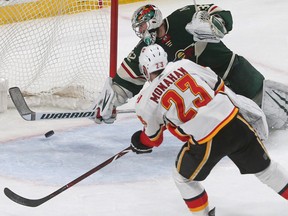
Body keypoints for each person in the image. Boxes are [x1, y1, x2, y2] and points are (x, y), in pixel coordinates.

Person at [129, 44, 288, 216]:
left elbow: (154, 139)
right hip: (234, 121)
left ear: (145, 69)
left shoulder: (145, 103)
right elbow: (218, 85)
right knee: (266, 170)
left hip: (207, 139)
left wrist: (139, 141)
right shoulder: (185, 65)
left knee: (182, 178)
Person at [94, 3, 264, 123]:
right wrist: (109, 104)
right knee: (235, 130)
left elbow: (220, 13)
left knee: (271, 110)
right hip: (207, 97)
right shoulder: (144, 51)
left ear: (153, 20)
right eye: (138, 28)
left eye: (142, 26)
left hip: (233, 73)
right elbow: (124, 82)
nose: (141, 31)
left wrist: (213, 23)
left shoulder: (182, 17)